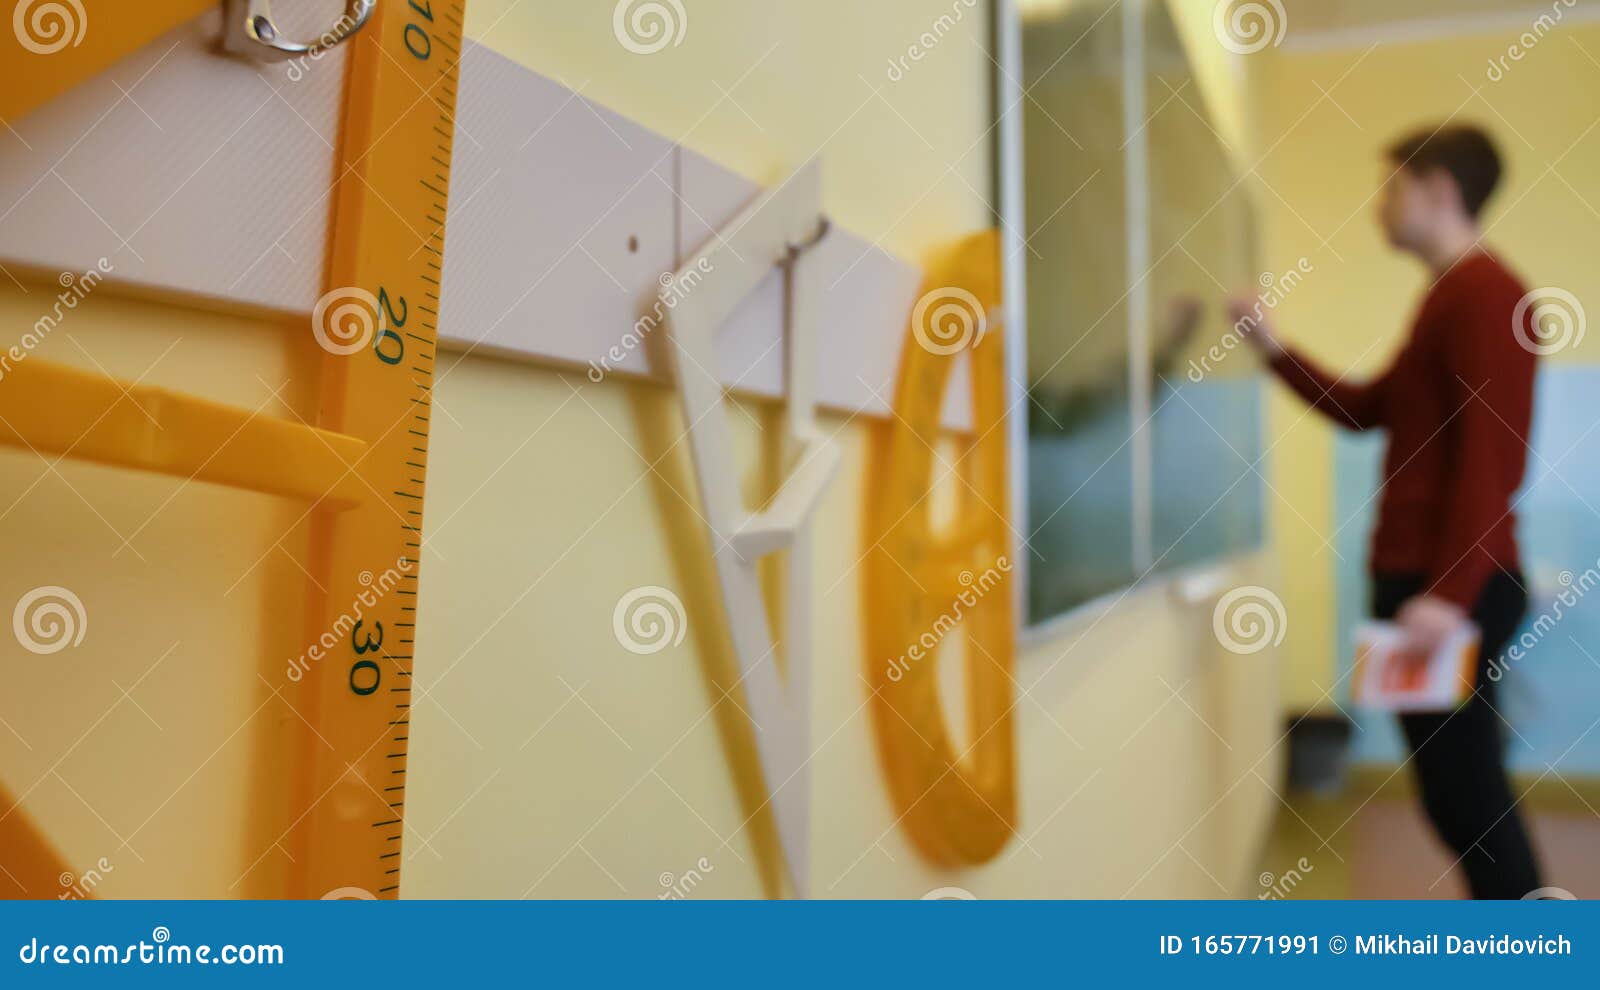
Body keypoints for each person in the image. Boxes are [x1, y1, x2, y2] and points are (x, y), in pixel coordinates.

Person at [1230, 125, 1542, 899]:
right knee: (1456, 796)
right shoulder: (1447, 298)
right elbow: (1369, 408)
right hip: (1432, 590)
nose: (1379, 209)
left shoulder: (1486, 295)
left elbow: (1489, 458)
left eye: (1391, 188)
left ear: (1439, 191)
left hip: (1447, 593)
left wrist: (1449, 594)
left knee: (1467, 798)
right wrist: (1273, 349)